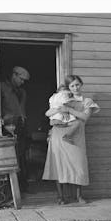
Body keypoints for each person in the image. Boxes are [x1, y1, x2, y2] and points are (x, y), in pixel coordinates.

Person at [42, 75, 100, 204]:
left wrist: (68, 109)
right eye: (72, 85)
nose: (75, 88)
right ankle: (61, 196)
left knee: (78, 165)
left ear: (81, 84)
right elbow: (48, 113)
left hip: (76, 135)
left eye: (77, 84)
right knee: (59, 165)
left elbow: (84, 118)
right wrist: (58, 110)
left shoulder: (87, 101)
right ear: (68, 87)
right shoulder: (62, 98)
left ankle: (79, 196)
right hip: (58, 134)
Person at [1, 66, 30, 192]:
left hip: (20, 125)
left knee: (21, 154)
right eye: (21, 79)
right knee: (10, 156)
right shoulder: (1, 87)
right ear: (14, 75)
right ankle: (9, 189)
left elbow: (21, 108)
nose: (22, 82)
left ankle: (22, 186)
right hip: (7, 126)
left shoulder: (22, 92)